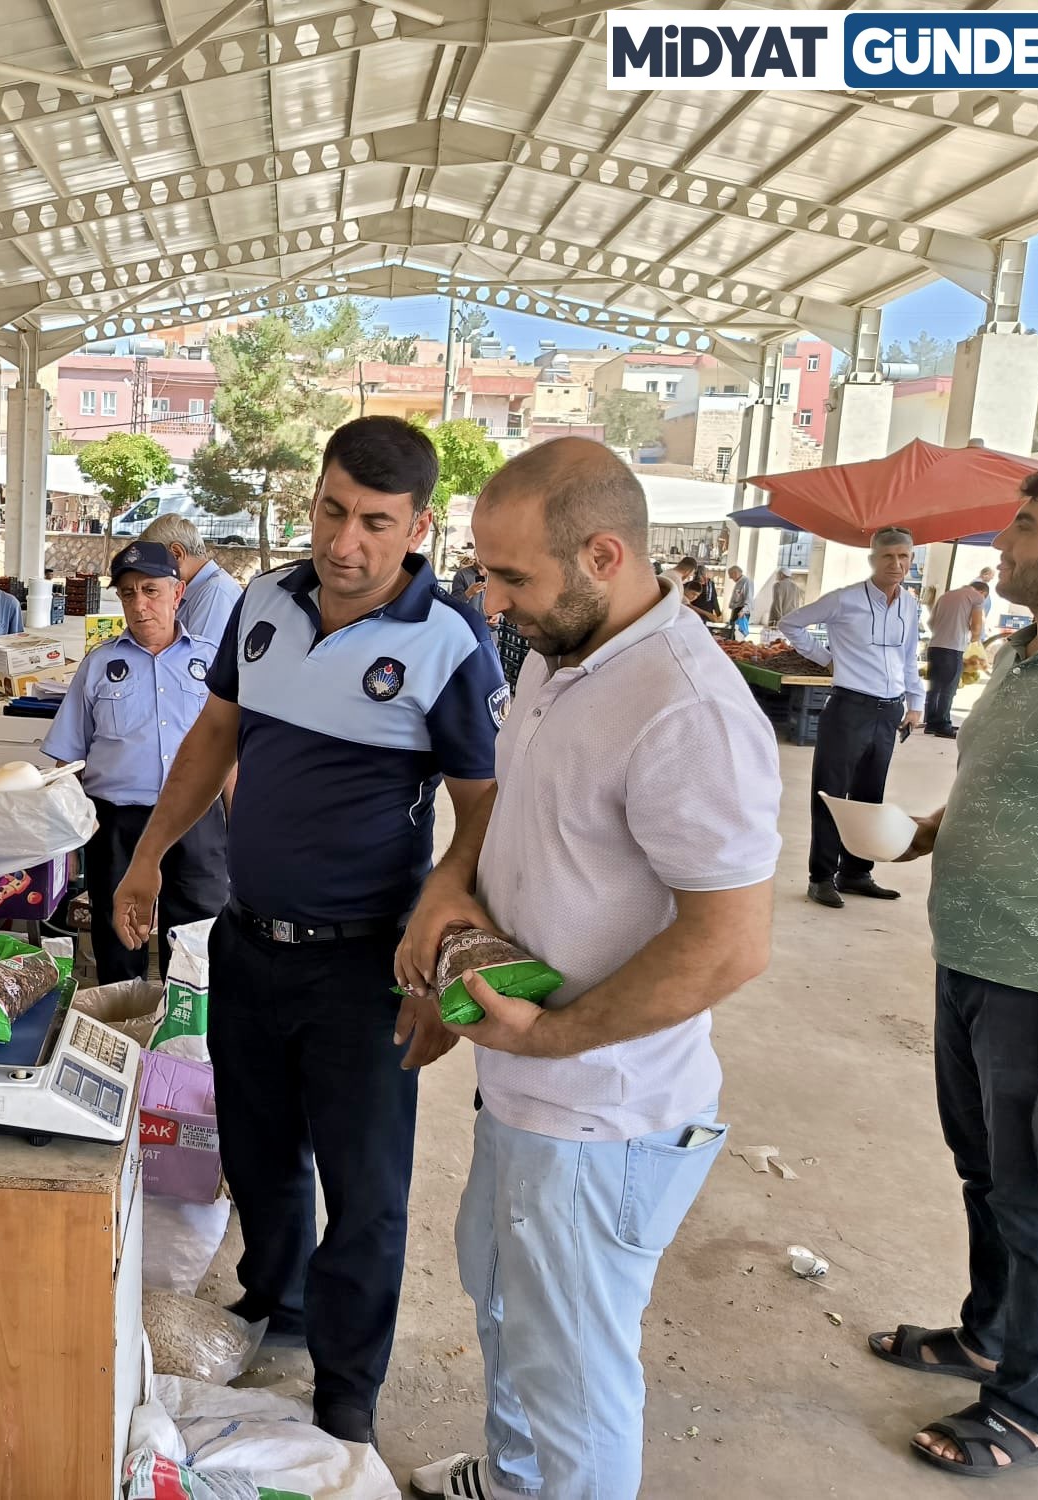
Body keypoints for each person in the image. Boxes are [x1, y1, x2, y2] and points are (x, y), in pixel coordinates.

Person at [112, 416, 505, 1445]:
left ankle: (347, 1385)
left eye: (375, 523)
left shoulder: (446, 641)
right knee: (259, 1150)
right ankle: (271, 1300)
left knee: (365, 1189)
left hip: (366, 966)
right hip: (247, 942)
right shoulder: (262, 604)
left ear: (417, 525)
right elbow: (214, 735)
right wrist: (149, 855)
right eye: (332, 511)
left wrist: (443, 915)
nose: (344, 543)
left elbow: (486, 805)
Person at [405, 438, 779, 1500]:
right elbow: (513, 810)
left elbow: (728, 943)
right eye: (483, 571)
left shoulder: (685, 709)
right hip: (525, 1089)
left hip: (599, 1115)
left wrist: (552, 1036)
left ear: (603, 555)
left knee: (574, 1378)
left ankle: (549, 1479)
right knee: (506, 1307)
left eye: (510, 576)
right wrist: (447, 892)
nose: (488, 599)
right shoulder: (562, 652)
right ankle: (515, 1478)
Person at [868, 465, 1038, 1480]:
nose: (1000, 543)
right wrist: (929, 831)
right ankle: (986, 1335)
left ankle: (1028, 1409)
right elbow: (1011, 785)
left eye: (1022, 527)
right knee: (984, 1175)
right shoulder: (1020, 653)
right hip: (967, 958)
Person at [45, 541, 228, 983]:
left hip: (197, 819)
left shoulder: (211, 662)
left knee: (195, 938)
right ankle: (123, 1029)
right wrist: (66, 845)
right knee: (118, 934)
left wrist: (239, 828)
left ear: (177, 593)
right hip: (118, 824)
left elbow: (231, 754)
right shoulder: (99, 665)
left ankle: (184, 1037)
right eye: (128, 593)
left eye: (151, 590)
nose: (140, 604)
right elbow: (66, 760)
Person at [779, 527, 924, 909]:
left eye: (904, 556)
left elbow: (909, 658)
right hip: (849, 707)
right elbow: (790, 623)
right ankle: (821, 876)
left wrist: (915, 703)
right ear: (873, 559)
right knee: (831, 794)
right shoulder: (845, 600)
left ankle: (857, 872)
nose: (897, 563)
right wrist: (828, 659)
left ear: (911, 560)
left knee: (869, 797)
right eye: (888, 556)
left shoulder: (910, 605)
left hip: (889, 709)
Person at [139, 514, 242, 645]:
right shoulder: (200, 590)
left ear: (177, 554)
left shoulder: (214, 592)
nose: (150, 575)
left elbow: (198, 661)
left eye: (153, 566)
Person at [925, 579, 989, 738]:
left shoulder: (946, 596)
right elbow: (976, 627)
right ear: (982, 593)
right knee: (949, 688)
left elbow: (931, 623)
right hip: (953, 648)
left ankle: (931, 723)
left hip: (935, 646)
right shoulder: (976, 598)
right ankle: (943, 725)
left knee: (935, 686)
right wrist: (973, 639)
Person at [725, 563, 751, 635]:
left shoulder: (746, 581)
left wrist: (743, 610)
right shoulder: (739, 582)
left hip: (741, 611)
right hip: (736, 610)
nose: (730, 578)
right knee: (732, 632)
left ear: (735, 573)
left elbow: (749, 598)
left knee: (738, 634)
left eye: (731, 575)